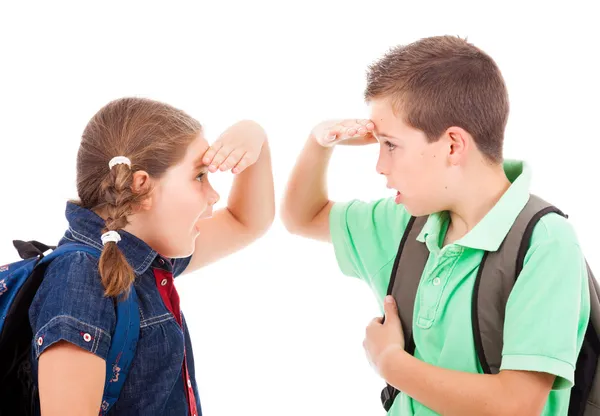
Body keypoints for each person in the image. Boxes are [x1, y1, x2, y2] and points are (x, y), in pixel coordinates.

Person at [281, 35, 590, 415]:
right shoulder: (406, 223)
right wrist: (320, 141)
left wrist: (390, 362)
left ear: (452, 146)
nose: (379, 164)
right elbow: (302, 217)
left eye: (390, 145)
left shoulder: (544, 243)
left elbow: (517, 404)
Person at [29, 97, 274, 415]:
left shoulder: (144, 261)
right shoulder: (79, 276)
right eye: (199, 176)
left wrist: (254, 136)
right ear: (142, 186)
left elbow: (247, 221)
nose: (214, 195)